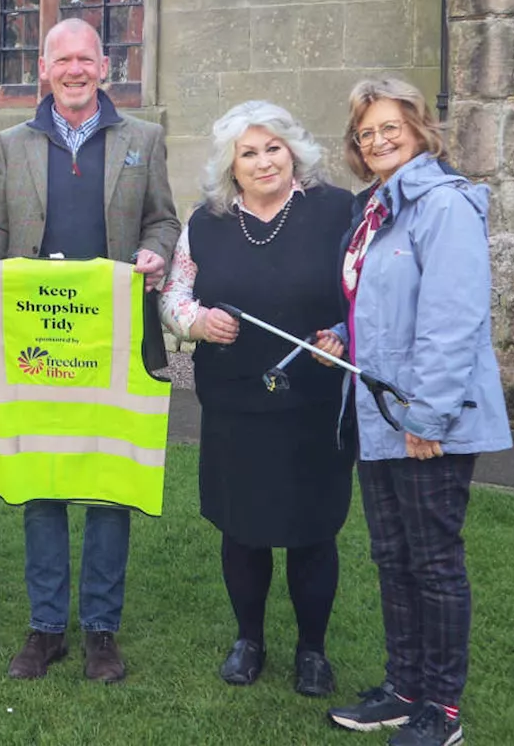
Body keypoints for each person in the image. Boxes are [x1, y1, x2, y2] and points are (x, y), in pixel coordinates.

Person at [0, 17, 180, 683]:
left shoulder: (144, 138)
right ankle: (46, 628)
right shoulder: (15, 142)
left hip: (113, 342)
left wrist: (155, 251)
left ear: (104, 67)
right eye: (63, 61)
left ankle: (101, 633)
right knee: (43, 480)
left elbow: (164, 217)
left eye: (86, 59)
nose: (75, 70)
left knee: (110, 485)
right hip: (36, 343)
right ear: (44, 71)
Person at [321, 78, 511, 746]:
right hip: (378, 416)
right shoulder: (376, 210)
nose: (376, 140)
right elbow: (379, 303)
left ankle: (444, 711)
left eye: (389, 126)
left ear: (420, 129)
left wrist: (427, 420)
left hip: (426, 422)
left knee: (433, 564)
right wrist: (342, 337)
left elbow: (452, 320)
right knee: (393, 557)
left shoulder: (443, 206)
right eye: (365, 132)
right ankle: (404, 691)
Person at [159, 101, 355, 697]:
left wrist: (344, 336)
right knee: (242, 529)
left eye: (274, 147)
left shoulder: (336, 212)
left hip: (314, 404)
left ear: (293, 151)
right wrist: (196, 323)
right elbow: (173, 294)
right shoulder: (207, 223)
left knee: (312, 529)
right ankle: (249, 640)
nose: (264, 160)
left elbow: (364, 294)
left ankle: (312, 650)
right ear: (230, 166)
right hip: (236, 403)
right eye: (249, 152)